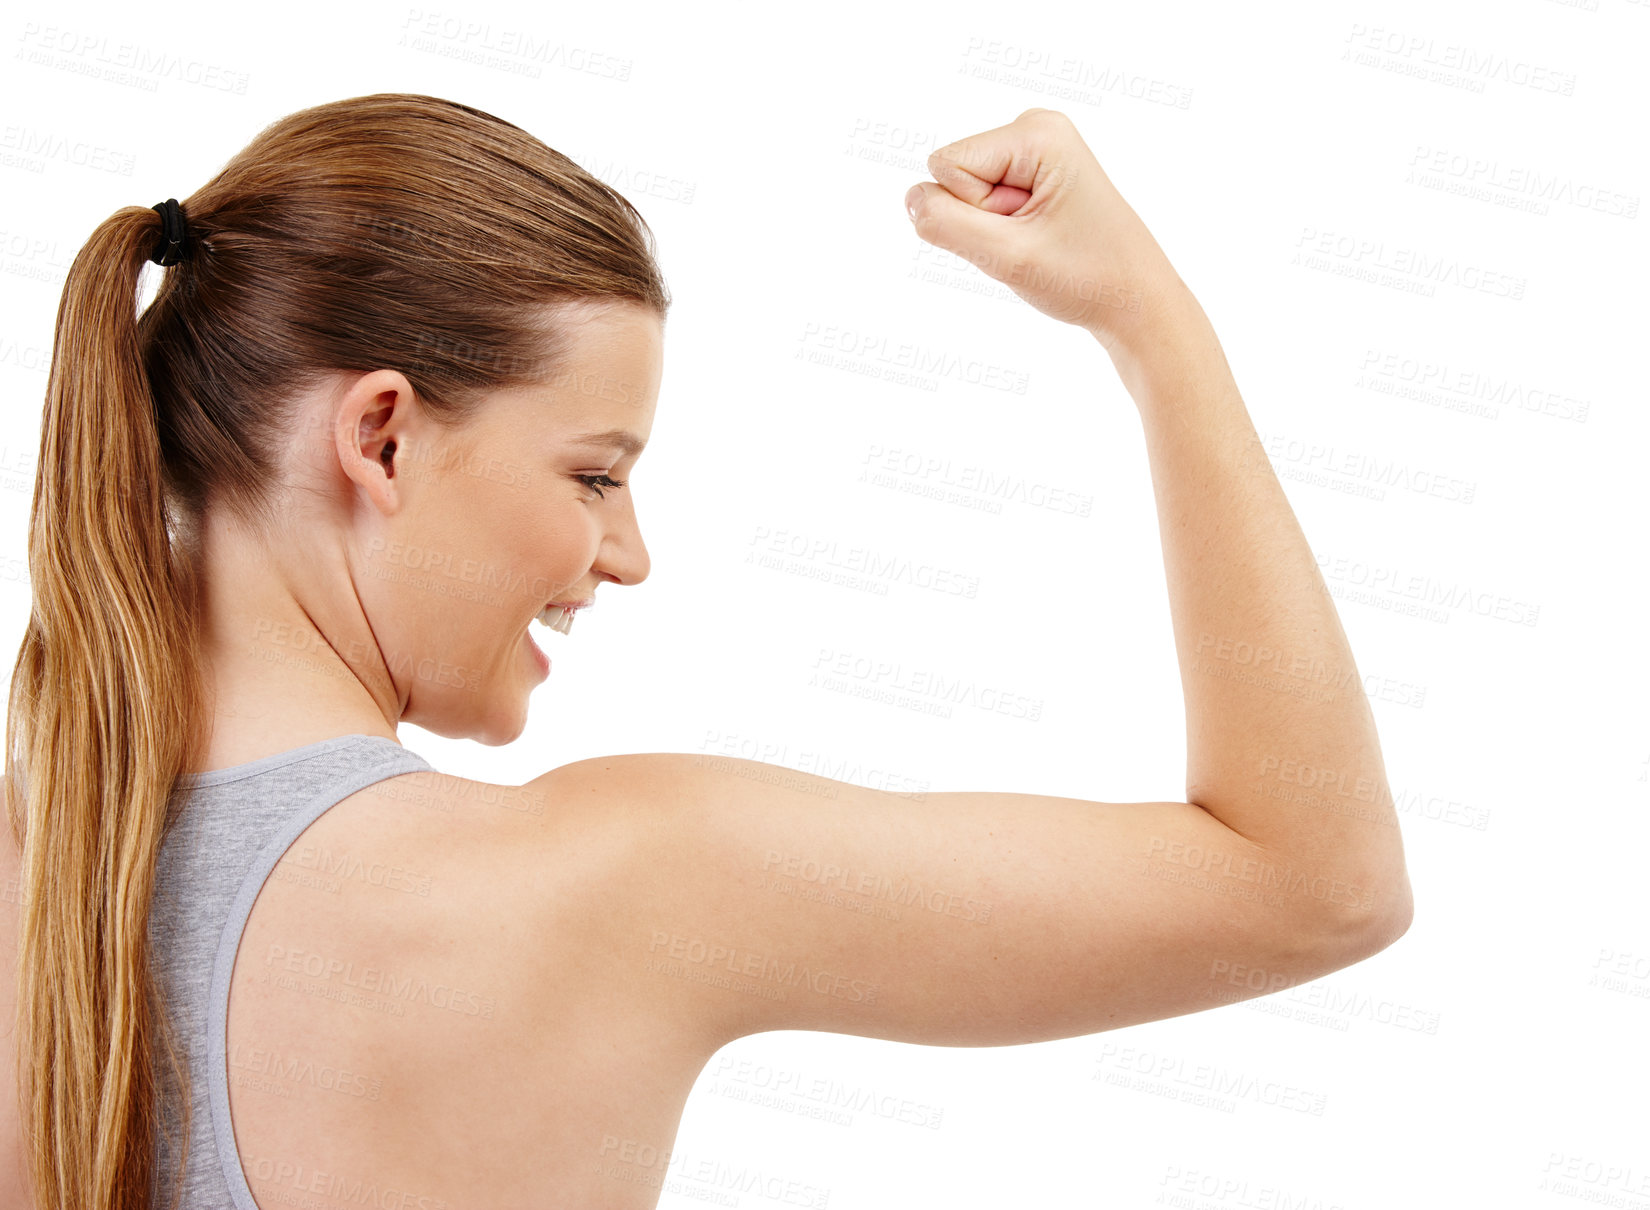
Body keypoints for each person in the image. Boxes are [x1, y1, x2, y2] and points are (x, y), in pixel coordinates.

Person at [0, 95, 1414, 1210]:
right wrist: (1149, 324)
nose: (626, 554)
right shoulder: (611, 880)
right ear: (381, 434)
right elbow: (1311, 883)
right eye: (595, 475)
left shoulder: (31, 868)